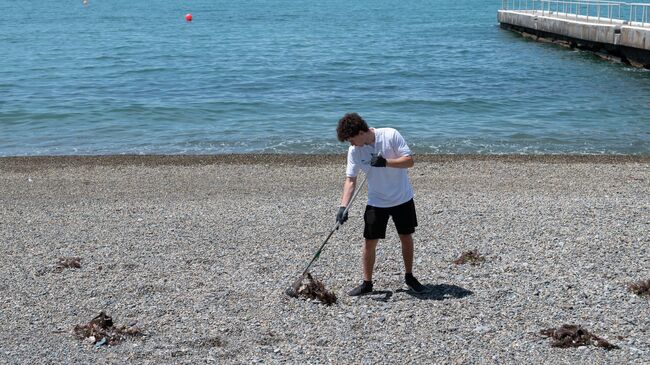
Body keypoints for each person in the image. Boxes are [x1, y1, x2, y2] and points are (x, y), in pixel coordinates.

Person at [336, 112, 427, 296]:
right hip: (376, 201)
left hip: (402, 197)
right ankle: (367, 283)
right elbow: (351, 180)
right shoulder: (355, 151)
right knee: (369, 242)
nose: (351, 144)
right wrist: (343, 207)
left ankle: (409, 277)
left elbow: (409, 161)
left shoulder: (390, 135)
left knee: (406, 237)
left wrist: (385, 162)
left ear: (361, 132)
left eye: (351, 139)